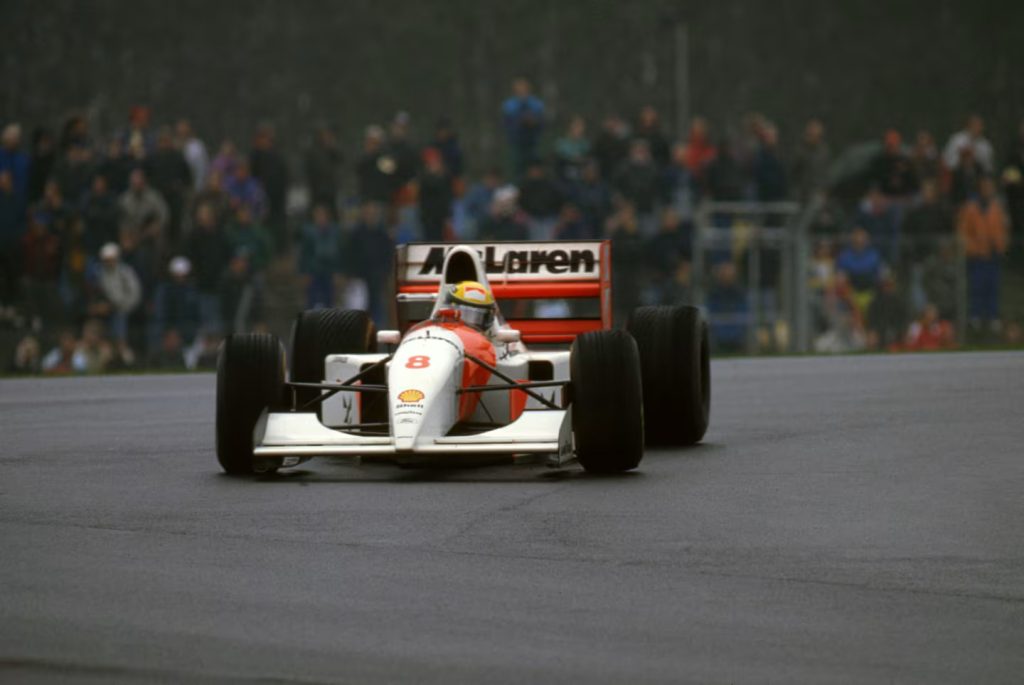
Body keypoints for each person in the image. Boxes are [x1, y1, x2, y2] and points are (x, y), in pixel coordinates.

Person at [957, 176, 1010, 336]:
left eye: (990, 187)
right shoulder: (970, 208)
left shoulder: (996, 207)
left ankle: (992, 316)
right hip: (977, 256)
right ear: (980, 189)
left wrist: (1000, 247)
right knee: (977, 287)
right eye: (985, 187)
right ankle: (976, 316)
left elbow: (1003, 229)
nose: (988, 190)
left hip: (994, 255)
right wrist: (973, 249)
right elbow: (963, 232)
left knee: (992, 286)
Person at [185, 203, 232, 335]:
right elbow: (189, 257)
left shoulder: (221, 235)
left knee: (216, 317)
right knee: (202, 316)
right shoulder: (194, 236)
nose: (202, 219)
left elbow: (228, 255)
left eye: (205, 216)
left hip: (218, 284)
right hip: (200, 283)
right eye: (200, 216)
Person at [90, 242, 142, 346]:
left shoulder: (126, 272)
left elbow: (135, 294)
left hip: (125, 308)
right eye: (106, 260)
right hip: (107, 308)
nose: (109, 263)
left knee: (119, 319)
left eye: (111, 259)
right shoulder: (99, 274)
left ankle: (121, 348)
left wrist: (116, 306)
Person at [250, 124, 289, 251]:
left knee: (278, 227)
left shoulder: (276, 155)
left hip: (277, 198)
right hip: (262, 199)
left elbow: (284, 175)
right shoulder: (255, 156)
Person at [298, 204, 343, 309]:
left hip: (329, 272)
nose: (320, 218)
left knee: (329, 302)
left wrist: (338, 271)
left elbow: (338, 254)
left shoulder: (335, 232)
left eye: (322, 215)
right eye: (318, 215)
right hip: (314, 272)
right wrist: (304, 272)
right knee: (312, 301)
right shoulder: (308, 232)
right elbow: (304, 254)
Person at [501, 77, 545, 178]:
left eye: (524, 89)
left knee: (534, 169)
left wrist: (534, 122)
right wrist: (520, 122)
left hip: (533, 142)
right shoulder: (509, 105)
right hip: (516, 142)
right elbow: (506, 124)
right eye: (519, 89)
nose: (522, 91)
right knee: (517, 169)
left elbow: (542, 123)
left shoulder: (537, 105)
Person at [836, 227, 882, 316]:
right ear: (852, 240)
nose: (860, 242)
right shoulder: (845, 256)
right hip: (851, 292)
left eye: (863, 240)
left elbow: (880, 275)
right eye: (857, 240)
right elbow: (840, 276)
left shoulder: (874, 255)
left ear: (867, 241)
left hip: (870, 290)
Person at [706, 261, 749, 354]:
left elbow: (743, 309)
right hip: (719, 326)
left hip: (735, 326)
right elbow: (712, 309)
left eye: (729, 274)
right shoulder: (714, 293)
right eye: (724, 274)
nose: (727, 277)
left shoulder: (739, 292)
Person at [118, 168, 169, 245]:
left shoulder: (154, 197)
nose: (137, 184)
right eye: (134, 182)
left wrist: (154, 227)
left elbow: (164, 215)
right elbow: (122, 222)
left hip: (152, 237)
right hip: (133, 235)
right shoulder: (125, 200)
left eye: (139, 181)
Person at [790, 118, 830, 203]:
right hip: (803, 193)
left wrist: (825, 190)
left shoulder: (824, 151)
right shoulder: (801, 150)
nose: (813, 137)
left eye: (816, 135)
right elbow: (794, 171)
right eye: (811, 134)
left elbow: (825, 172)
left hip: (818, 193)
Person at [417, 147, 452, 241]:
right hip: (428, 216)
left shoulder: (445, 177)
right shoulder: (424, 178)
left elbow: (447, 197)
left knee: (439, 239)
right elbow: (430, 187)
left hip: (440, 216)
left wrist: (447, 215)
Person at [305, 125, 342, 216]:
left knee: (332, 213)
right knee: (318, 212)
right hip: (317, 189)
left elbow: (341, 160)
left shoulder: (333, 150)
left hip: (331, 189)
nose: (327, 137)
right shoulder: (313, 151)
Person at [554, 115, 590, 183]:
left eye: (581, 126)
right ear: (570, 127)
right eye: (576, 126)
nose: (579, 129)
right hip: (565, 172)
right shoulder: (561, 143)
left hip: (581, 173)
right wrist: (573, 158)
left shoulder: (585, 143)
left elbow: (587, 156)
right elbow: (561, 156)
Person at [176, 119, 209, 192]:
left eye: (184, 129)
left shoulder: (197, 146)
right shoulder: (174, 145)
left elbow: (202, 168)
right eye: (180, 129)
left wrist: (199, 188)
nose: (182, 132)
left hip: (194, 184)